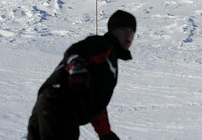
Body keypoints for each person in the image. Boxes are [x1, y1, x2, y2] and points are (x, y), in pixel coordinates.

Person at [27, 10, 136, 140]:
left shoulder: (108, 60)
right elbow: (76, 51)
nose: (129, 35)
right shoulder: (102, 44)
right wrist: (76, 66)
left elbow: (95, 101)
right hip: (60, 105)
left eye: (132, 31)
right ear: (113, 30)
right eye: (124, 29)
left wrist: (105, 133)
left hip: (49, 105)